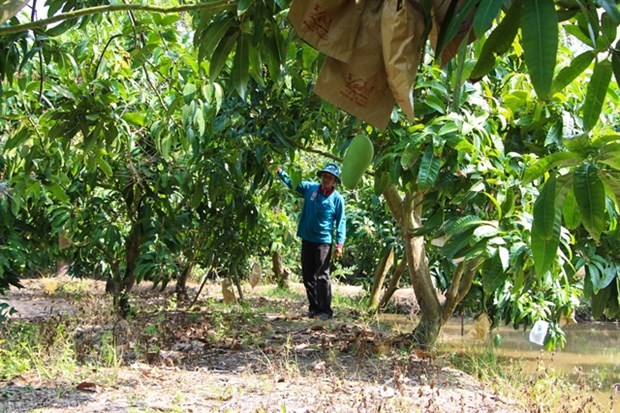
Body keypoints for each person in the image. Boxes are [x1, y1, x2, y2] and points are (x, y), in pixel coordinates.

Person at [276, 162, 346, 320]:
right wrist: (279, 171)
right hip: (307, 238)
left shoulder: (337, 199)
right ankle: (313, 308)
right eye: (325, 176)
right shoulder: (310, 189)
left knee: (322, 276)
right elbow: (293, 183)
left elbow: (341, 222)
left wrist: (340, 244)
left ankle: (325, 310)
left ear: (335, 181)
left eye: (330, 177)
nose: (326, 179)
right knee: (308, 275)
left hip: (323, 242)